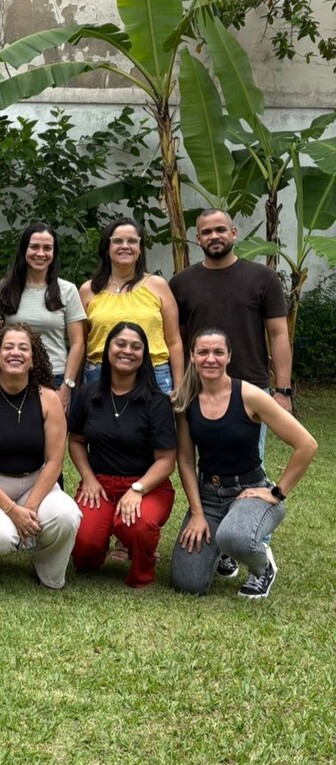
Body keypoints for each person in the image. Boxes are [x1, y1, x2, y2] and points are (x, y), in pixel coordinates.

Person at [169, 208, 294, 582]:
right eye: (206, 231)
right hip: (199, 390)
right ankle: (221, 543)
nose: (214, 236)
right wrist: (180, 386)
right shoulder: (182, 283)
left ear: (234, 232)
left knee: (248, 465)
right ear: (197, 238)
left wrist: (282, 390)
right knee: (210, 463)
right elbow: (177, 341)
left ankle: (253, 546)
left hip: (251, 389)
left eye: (220, 229)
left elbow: (278, 334)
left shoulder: (262, 278)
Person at [169, 329, 316, 599]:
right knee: (187, 582)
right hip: (208, 495)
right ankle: (224, 551)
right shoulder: (187, 400)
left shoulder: (249, 395)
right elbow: (186, 461)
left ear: (229, 356)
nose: (210, 358)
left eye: (218, 352)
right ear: (192, 356)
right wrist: (197, 513)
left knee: (235, 536)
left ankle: (262, 566)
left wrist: (277, 493)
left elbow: (306, 444)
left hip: (248, 492)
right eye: (203, 352)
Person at [0, 324, 82, 588]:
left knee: (67, 516)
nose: (15, 353)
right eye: (8, 347)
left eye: (23, 348)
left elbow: (54, 462)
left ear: (33, 359)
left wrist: (30, 508)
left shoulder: (49, 400)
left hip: (34, 481)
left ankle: (48, 571)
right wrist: (12, 511)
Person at [68, 322, 176, 588]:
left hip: (146, 485)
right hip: (99, 484)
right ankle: (100, 541)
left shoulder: (156, 401)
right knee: (84, 548)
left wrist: (138, 489)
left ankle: (142, 565)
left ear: (144, 355)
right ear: (108, 350)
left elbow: (166, 460)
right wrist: (88, 478)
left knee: (137, 526)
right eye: (120, 344)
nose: (127, 351)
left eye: (136, 347)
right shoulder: (88, 394)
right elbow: (76, 441)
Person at [79, 218, 183, 392]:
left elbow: (174, 342)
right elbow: (80, 344)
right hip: (99, 377)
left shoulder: (158, 286)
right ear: (107, 248)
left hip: (154, 376)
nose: (125, 246)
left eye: (132, 241)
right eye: (118, 241)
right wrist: (73, 388)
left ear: (140, 249)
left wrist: (179, 388)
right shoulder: (88, 290)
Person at [0, 222, 85, 409]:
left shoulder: (68, 290)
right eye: (34, 247)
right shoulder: (5, 290)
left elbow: (78, 343)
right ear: (24, 249)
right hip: (14, 376)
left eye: (47, 248)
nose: (40, 253)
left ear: (54, 253)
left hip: (55, 377)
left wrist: (66, 386)